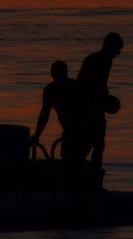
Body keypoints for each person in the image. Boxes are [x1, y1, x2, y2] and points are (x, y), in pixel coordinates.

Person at [32, 60, 98, 206]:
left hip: (77, 131)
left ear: (52, 74)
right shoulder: (77, 86)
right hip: (89, 130)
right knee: (75, 163)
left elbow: (44, 115)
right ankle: (84, 193)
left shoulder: (51, 89)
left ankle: (88, 194)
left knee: (72, 163)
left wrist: (37, 136)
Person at [77, 32, 123, 175]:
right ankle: (87, 170)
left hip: (92, 103)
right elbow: (97, 84)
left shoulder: (97, 58)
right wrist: (103, 101)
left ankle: (87, 169)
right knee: (95, 141)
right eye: (117, 49)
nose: (118, 53)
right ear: (110, 46)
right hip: (90, 103)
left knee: (95, 142)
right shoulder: (103, 60)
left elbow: (100, 85)